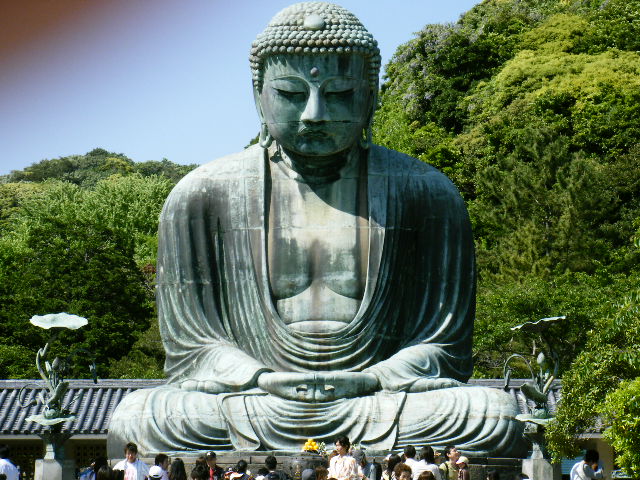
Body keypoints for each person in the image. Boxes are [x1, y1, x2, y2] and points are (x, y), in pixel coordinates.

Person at [107, 1, 526, 458]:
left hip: (378, 398)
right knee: (141, 417)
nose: (314, 114)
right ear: (258, 95)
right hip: (255, 399)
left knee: (491, 413)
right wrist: (261, 377)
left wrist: (373, 378)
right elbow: (194, 346)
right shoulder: (202, 195)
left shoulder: (425, 192)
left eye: (340, 93)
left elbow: (442, 344)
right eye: (290, 93)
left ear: (372, 96)